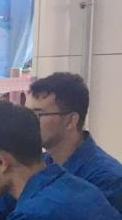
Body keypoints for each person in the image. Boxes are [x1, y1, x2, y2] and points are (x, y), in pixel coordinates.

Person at [27, 72, 122, 212]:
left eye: (37, 115)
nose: (28, 122)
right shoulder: (41, 164)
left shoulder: (107, 179)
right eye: (26, 114)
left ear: (71, 120)